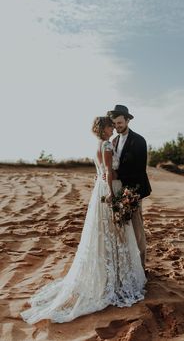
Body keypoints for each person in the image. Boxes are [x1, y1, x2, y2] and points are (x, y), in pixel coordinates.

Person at [20, 116, 146, 324]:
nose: (113, 128)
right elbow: (107, 171)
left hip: (102, 190)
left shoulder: (99, 144)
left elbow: (101, 172)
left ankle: (113, 272)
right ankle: (115, 277)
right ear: (104, 129)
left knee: (109, 232)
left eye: (115, 125)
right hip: (109, 191)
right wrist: (112, 197)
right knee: (115, 231)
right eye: (110, 126)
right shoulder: (106, 144)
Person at [107, 105, 152, 268]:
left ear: (127, 120)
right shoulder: (113, 141)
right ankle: (128, 265)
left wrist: (123, 183)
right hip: (119, 189)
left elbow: (140, 169)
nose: (117, 126)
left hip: (135, 190)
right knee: (123, 228)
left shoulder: (139, 140)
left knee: (137, 229)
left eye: (120, 123)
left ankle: (141, 266)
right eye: (115, 123)